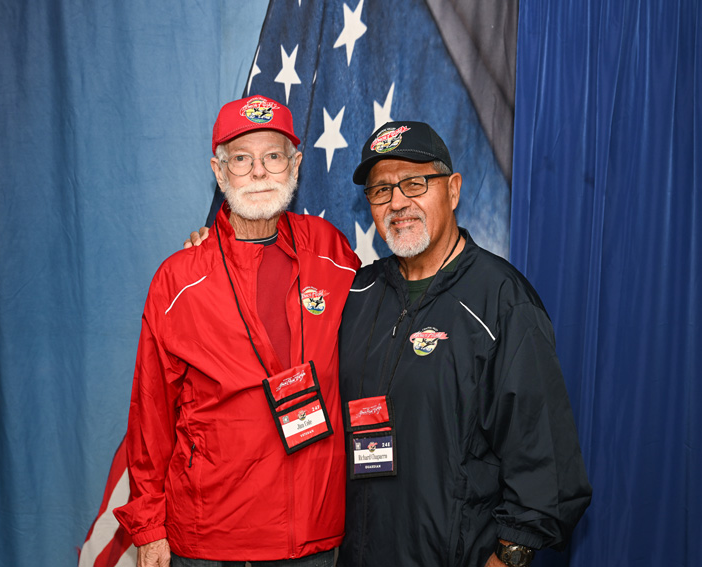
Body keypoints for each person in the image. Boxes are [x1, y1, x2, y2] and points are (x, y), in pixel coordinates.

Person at [113, 94, 360, 567]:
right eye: (242, 160)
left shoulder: (332, 252)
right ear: (219, 171)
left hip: (312, 534)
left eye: (273, 156)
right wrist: (149, 527)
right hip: (211, 540)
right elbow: (151, 415)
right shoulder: (179, 278)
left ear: (296, 164)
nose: (260, 172)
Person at [337, 121, 592, 567]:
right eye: (381, 191)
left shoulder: (502, 302)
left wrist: (508, 557)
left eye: (414, 183)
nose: (397, 202)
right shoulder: (356, 296)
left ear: (452, 190)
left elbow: (545, 467)